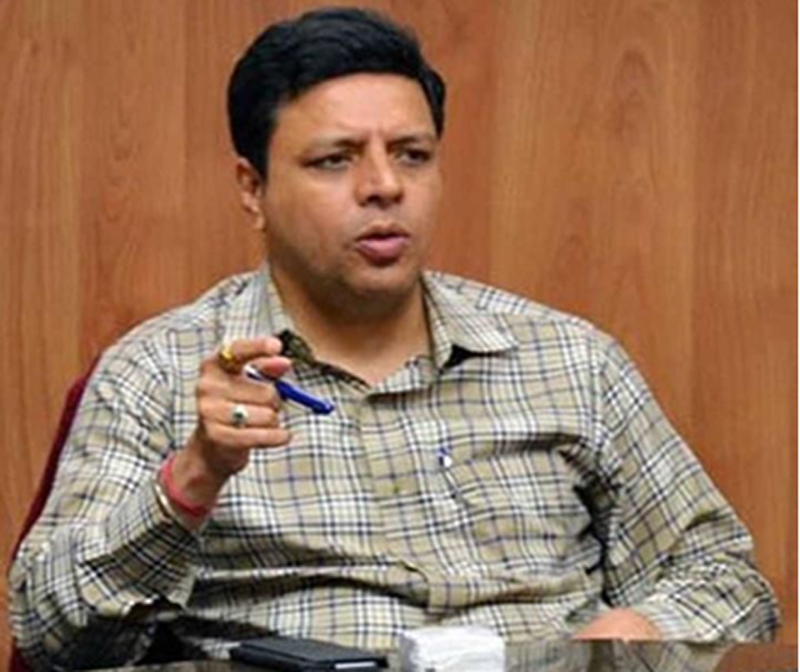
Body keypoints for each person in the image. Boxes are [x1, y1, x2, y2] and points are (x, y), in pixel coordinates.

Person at [8, 7, 779, 670]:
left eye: (412, 154)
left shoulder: (570, 360)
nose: (384, 186)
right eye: (334, 160)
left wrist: (629, 636)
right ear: (253, 189)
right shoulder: (159, 373)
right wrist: (192, 480)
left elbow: (723, 578)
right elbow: (51, 636)